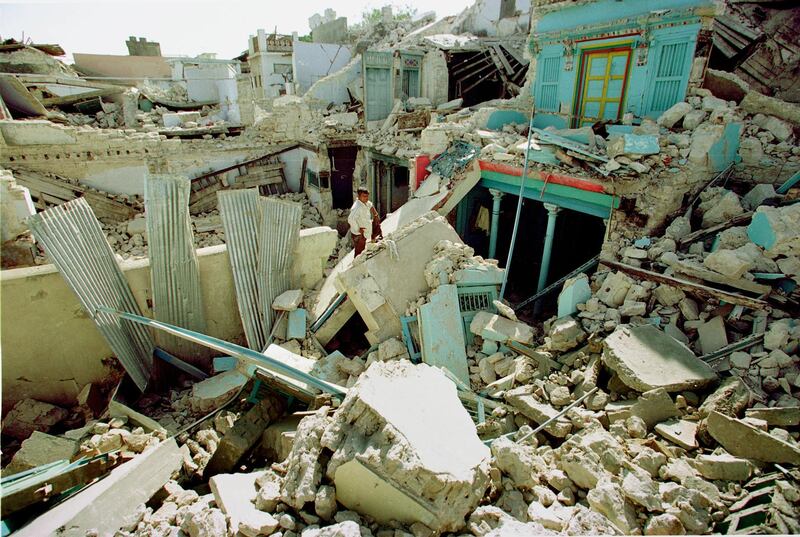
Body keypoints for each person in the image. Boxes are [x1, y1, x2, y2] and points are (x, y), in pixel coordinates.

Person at [348, 187, 380, 256]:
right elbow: (350, 219)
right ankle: (357, 265)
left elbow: (370, 205)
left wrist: (375, 214)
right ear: (359, 197)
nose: (366, 198)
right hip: (359, 234)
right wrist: (358, 229)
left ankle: (374, 240)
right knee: (359, 252)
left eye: (367, 196)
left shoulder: (365, 202)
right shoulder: (357, 207)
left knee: (376, 224)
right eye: (364, 196)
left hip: (366, 228)